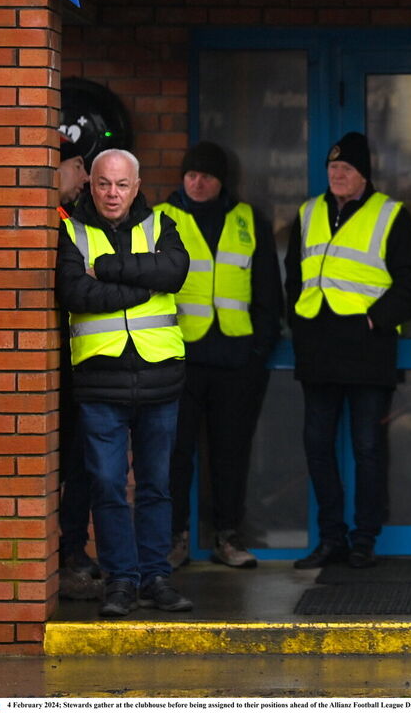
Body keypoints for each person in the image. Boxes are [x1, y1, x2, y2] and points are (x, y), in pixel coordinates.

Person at [55, 148, 192, 617]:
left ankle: (155, 576)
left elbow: (173, 272)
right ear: (90, 184)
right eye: (103, 184)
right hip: (99, 382)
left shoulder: (161, 226)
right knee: (108, 485)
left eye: (122, 185)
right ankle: (121, 582)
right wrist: (143, 280)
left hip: (159, 377)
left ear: (136, 186)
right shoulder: (70, 230)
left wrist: (109, 268)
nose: (112, 194)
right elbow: (75, 292)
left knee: (156, 484)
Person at [285, 132, 411, 570]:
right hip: (318, 350)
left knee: (367, 447)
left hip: (367, 350)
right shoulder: (308, 212)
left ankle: (364, 538)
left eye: (345, 169)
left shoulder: (391, 215)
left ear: (363, 174)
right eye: (332, 169)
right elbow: (293, 276)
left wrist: (375, 320)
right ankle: (331, 538)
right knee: (317, 446)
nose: (337, 175)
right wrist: (299, 322)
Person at [155, 142, 282, 570]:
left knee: (231, 454)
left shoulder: (248, 220)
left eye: (207, 175)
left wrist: (258, 351)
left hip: (235, 361)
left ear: (222, 180)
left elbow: (268, 291)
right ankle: (175, 539)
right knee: (174, 455)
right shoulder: (160, 218)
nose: (198, 181)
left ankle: (228, 536)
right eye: (191, 173)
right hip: (179, 359)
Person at [55, 133, 100, 600]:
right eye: (77, 166)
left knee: (79, 462)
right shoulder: (43, 221)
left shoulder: (69, 218)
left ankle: (73, 550)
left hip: (76, 362)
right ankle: (64, 554)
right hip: (53, 366)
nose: (85, 179)